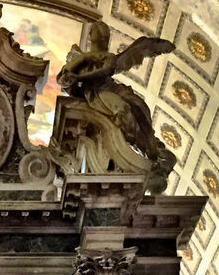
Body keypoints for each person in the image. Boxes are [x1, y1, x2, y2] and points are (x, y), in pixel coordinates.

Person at [57, 21, 176, 188]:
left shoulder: (108, 57)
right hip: (99, 94)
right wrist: (83, 59)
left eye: (104, 37)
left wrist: (81, 76)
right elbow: (63, 80)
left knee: (139, 107)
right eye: (100, 36)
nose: (102, 39)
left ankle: (151, 148)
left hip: (111, 88)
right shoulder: (81, 58)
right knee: (123, 110)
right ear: (92, 38)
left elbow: (105, 71)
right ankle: (146, 149)